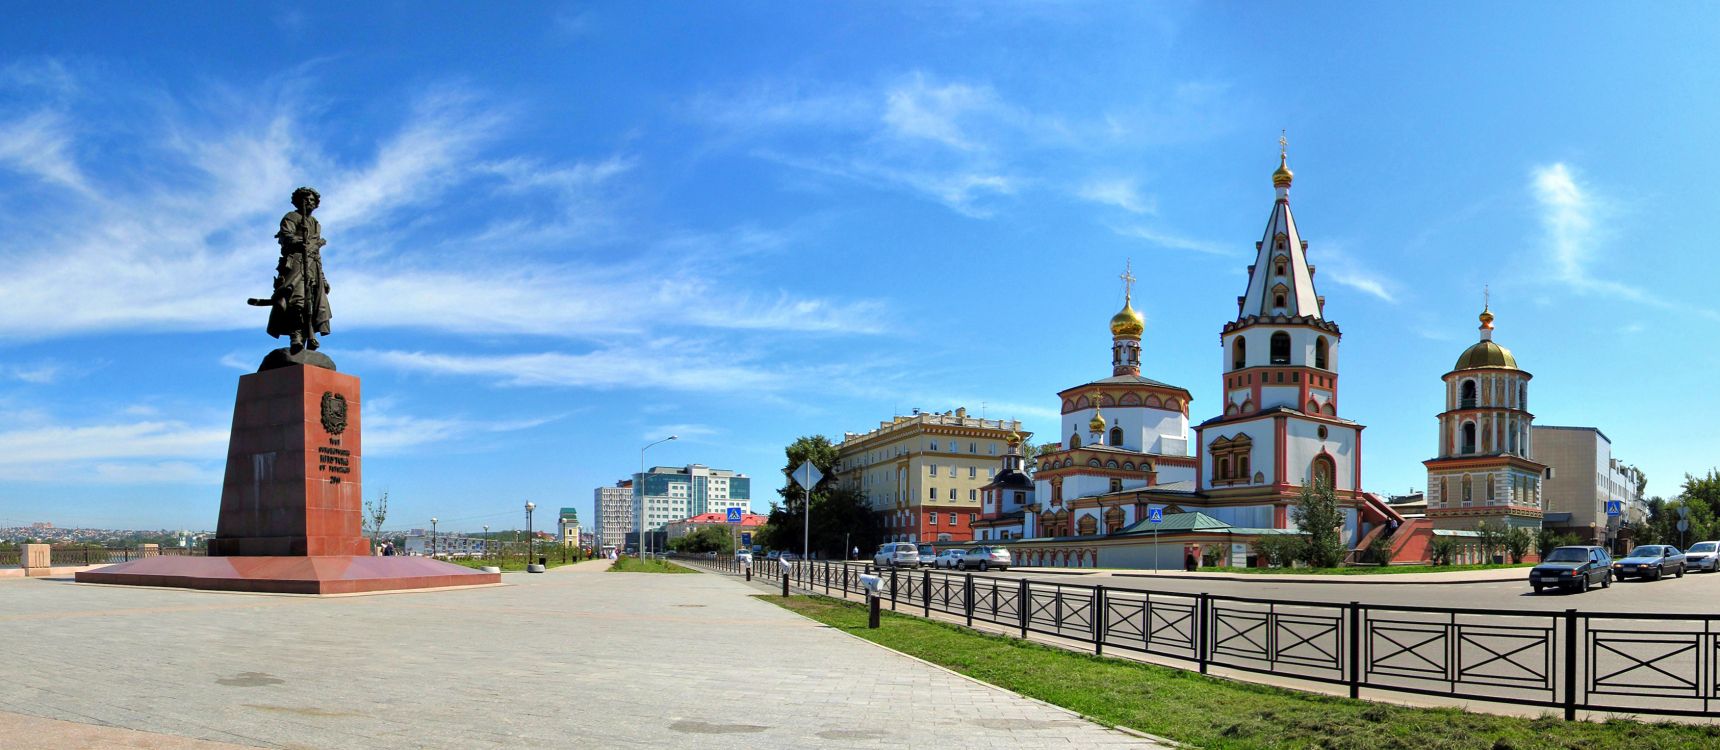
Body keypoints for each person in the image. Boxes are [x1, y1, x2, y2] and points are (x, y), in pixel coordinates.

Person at [264, 187, 332, 353]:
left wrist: (323, 278)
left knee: (314, 303)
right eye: (305, 199)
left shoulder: (315, 224)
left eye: (312, 200)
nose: (309, 202)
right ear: (297, 200)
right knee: (297, 300)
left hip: (313, 266)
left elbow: (317, 253)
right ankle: (296, 336)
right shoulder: (291, 217)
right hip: (295, 264)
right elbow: (284, 236)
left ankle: (309, 334)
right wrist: (296, 241)